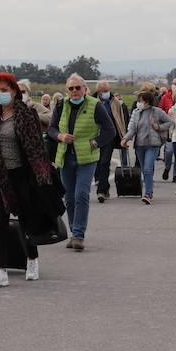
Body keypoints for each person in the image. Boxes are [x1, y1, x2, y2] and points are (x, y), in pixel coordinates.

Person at [0, 73, 53, 287]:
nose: (1, 94)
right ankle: (0, 270)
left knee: (24, 220)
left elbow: (36, 148)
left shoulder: (26, 113)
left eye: (5, 90)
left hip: (22, 174)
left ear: (14, 91)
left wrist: (41, 176)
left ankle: (32, 260)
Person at [48, 73, 115, 250]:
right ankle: (73, 232)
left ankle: (78, 234)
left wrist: (95, 143)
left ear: (85, 89)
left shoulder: (95, 105)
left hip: (87, 158)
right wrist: (60, 136)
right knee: (69, 198)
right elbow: (51, 129)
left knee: (81, 195)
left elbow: (110, 130)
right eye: (71, 88)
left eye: (78, 87)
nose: (75, 91)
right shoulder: (61, 104)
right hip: (66, 156)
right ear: (66, 90)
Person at [120, 91, 173, 204]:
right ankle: (148, 191)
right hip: (139, 145)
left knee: (148, 169)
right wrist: (125, 139)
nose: (138, 103)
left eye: (140, 100)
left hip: (153, 145)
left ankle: (148, 193)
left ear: (147, 101)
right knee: (144, 170)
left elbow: (169, 122)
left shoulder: (157, 112)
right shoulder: (136, 112)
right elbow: (132, 129)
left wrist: (158, 127)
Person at [94, 80, 129, 202]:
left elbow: (120, 119)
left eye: (108, 90)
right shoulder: (91, 101)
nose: (106, 93)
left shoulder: (115, 102)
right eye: (104, 91)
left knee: (104, 162)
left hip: (109, 136)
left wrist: (124, 136)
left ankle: (102, 191)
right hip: (94, 136)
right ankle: (103, 185)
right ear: (98, 91)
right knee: (96, 163)